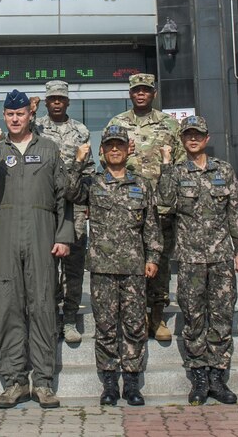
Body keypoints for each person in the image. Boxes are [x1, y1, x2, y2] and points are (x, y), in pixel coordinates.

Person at [0, 89, 73, 409]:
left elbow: (63, 197)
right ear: (4, 116)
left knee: (43, 305)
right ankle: (14, 381)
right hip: (6, 234)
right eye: (10, 114)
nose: (15, 119)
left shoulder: (48, 148)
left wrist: (63, 235)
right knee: (8, 307)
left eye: (20, 113)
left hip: (41, 232)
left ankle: (43, 382)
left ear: (30, 115)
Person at [67, 125, 162, 406]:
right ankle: (109, 382)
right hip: (103, 269)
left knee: (134, 326)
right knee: (106, 327)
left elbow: (151, 226)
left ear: (128, 149)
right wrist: (78, 161)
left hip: (133, 268)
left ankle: (131, 382)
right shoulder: (93, 183)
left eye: (120, 145)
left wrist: (153, 258)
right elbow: (69, 191)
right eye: (110, 145)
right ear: (102, 150)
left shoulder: (141, 184)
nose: (115, 150)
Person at [156, 115, 238, 406]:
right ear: (182, 140)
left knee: (221, 316)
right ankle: (199, 377)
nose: (193, 139)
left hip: (221, 257)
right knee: (193, 317)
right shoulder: (177, 172)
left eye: (198, 135)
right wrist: (166, 164)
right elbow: (164, 201)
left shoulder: (224, 170)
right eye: (188, 135)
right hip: (190, 259)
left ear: (207, 138)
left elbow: (235, 211)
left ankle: (218, 377)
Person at [107, 72, 185, 343]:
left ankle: (157, 314)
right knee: (132, 260)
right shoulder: (117, 123)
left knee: (159, 262)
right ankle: (136, 313)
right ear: (130, 93)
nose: (141, 94)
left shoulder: (169, 124)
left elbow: (180, 163)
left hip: (161, 206)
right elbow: (105, 159)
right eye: (136, 90)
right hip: (128, 206)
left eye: (146, 90)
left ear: (154, 93)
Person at [31, 79, 93, 345]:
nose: (57, 102)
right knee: (45, 264)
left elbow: (88, 170)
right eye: (52, 98)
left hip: (73, 205)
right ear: (46, 102)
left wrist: (86, 202)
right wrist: (30, 111)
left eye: (61, 98)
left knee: (73, 265)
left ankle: (69, 318)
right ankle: (50, 318)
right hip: (45, 204)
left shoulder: (80, 130)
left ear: (68, 102)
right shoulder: (36, 127)